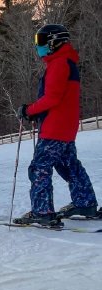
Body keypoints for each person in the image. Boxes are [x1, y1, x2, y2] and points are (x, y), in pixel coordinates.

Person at [15, 24, 97, 226]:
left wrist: (29, 110)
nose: (38, 46)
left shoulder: (59, 64)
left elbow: (52, 98)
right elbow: (61, 98)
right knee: (69, 166)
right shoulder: (68, 63)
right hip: (66, 127)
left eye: (41, 42)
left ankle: (42, 211)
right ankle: (85, 203)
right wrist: (38, 112)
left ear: (54, 42)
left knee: (40, 168)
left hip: (54, 128)